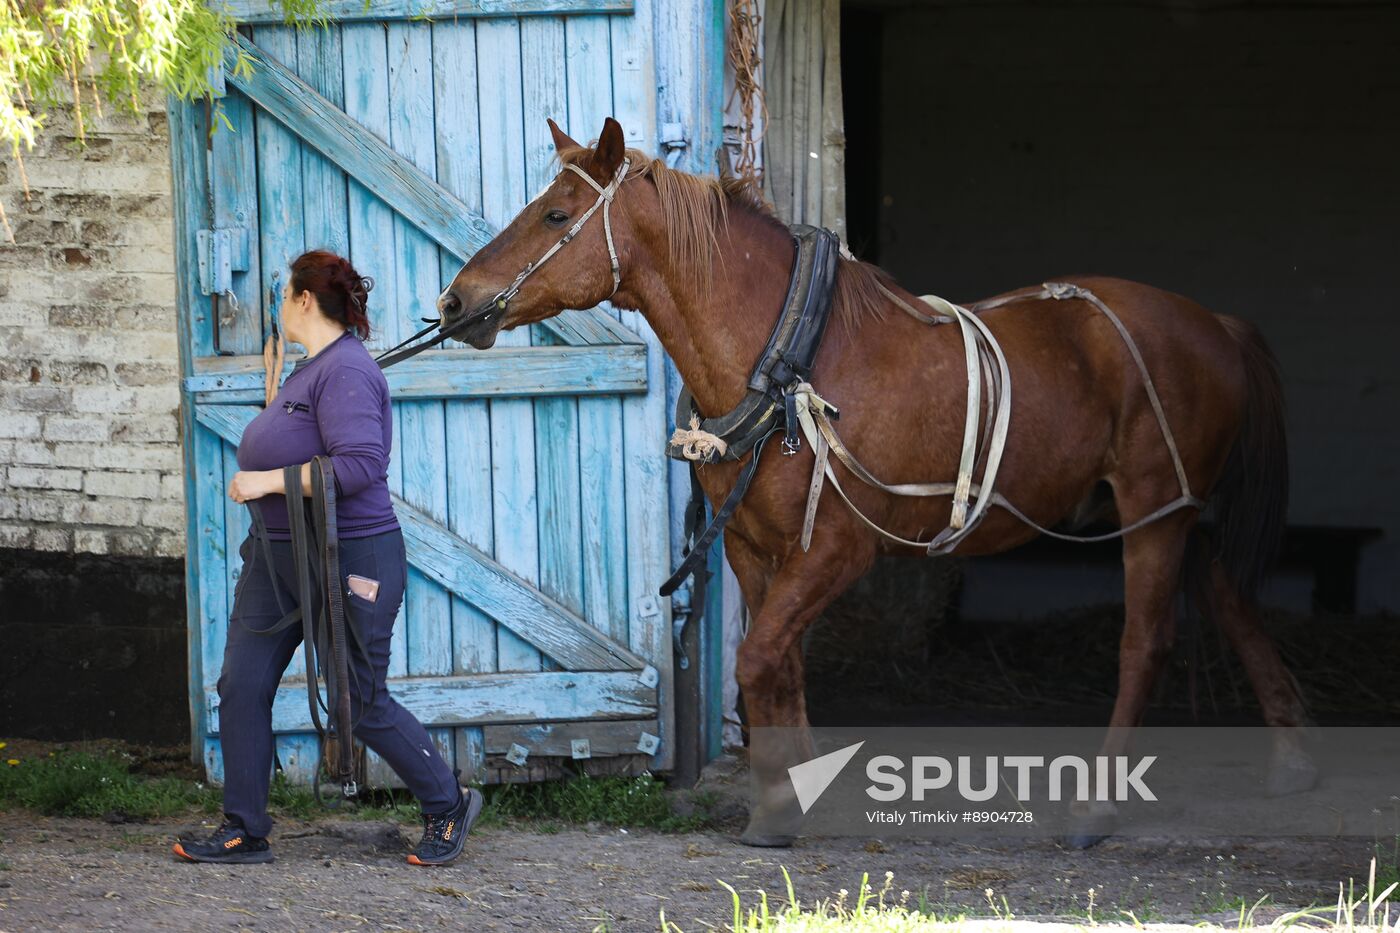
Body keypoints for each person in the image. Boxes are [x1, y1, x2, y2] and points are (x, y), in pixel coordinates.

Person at [172, 249, 481, 866]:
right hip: (278, 558)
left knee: (359, 700)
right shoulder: (309, 370)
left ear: (304, 300)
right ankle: (244, 828)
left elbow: (361, 466)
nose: (278, 306)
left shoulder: (347, 371)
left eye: (283, 294)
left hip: (351, 555)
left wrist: (266, 482)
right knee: (242, 683)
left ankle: (448, 803)